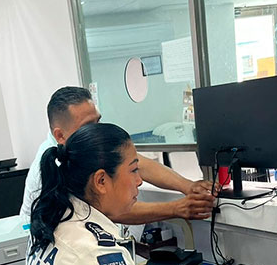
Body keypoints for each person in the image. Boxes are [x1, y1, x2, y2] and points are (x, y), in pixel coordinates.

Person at [19, 86, 217, 225]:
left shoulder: (85, 146)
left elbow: (136, 163)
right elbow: (112, 209)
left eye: (98, 121)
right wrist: (176, 208)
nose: (97, 130)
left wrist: (188, 186)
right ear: (60, 135)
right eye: (87, 126)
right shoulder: (54, 166)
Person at [23, 122, 144, 265]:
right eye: (134, 170)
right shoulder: (94, 252)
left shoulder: (52, 216)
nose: (139, 181)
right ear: (101, 181)